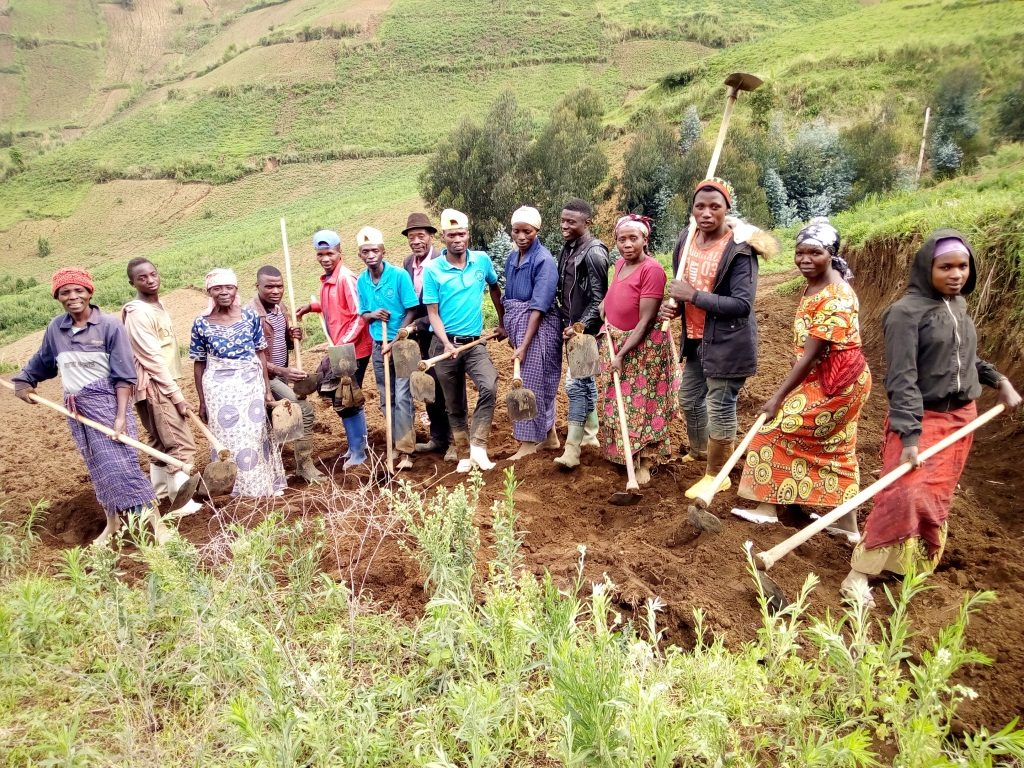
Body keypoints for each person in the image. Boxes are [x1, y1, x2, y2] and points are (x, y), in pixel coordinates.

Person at [841, 231, 1021, 604]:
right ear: (927, 268)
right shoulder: (904, 313)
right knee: (902, 493)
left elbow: (966, 360)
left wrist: (999, 380)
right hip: (923, 417)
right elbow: (902, 378)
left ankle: (905, 566)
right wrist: (909, 438)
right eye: (946, 267)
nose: (956, 274)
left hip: (962, 417)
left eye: (962, 266)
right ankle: (859, 575)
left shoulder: (958, 307)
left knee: (934, 497)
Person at [732, 219, 870, 539]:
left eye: (815, 253)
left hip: (836, 384)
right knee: (836, 450)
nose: (805, 259)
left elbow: (809, 357)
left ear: (832, 254)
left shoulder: (837, 296)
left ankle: (766, 508)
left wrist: (777, 397)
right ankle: (846, 526)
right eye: (800, 252)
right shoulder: (817, 283)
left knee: (773, 426)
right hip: (832, 379)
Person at [12, 268, 170, 546]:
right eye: (65, 292)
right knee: (98, 468)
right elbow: (43, 362)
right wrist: (25, 381)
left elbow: (124, 377)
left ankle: (158, 527)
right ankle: (113, 523)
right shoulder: (56, 329)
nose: (73, 297)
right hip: (77, 411)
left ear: (89, 292)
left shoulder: (109, 326)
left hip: (107, 406)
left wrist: (120, 417)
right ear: (57, 297)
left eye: (78, 290)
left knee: (122, 466)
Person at [660, 178, 776, 500]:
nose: (707, 213)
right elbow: (682, 285)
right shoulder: (687, 238)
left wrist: (693, 296)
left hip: (729, 343)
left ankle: (717, 475)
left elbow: (742, 305)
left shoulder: (739, 249)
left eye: (715, 207)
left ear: (727, 209)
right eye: (700, 206)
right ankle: (699, 451)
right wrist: (678, 307)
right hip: (697, 340)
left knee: (720, 405)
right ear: (692, 209)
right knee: (689, 398)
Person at [189, 268, 286, 498]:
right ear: (209, 292)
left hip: (249, 384)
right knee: (227, 439)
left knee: (254, 435)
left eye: (228, 287)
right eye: (217, 288)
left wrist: (266, 390)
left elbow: (261, 353)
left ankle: (261, 486)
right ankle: (235, 490)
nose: (223, 292)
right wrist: (202, 401)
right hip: (218, 389)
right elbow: (199, 363)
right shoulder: (201, 323)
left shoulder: (249, 316)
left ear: (236, 289)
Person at [422, 208, 506, 473]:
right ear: (444, 237)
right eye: (451, 235)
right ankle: (463, 455)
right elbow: (432, 312)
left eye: (462, 233)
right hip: (445, 346)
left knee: (489, 385)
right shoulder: (433, 270)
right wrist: (446, 343)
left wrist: (502, 321)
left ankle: (478, 447)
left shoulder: (481, 261)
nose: (457, 239)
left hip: (474, 343)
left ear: (468, 234)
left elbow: (494, 287)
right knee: (454, 402)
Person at [599, 215, 677, 485]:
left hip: (643, 349)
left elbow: (645, 320)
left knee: (641, 405)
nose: (627, 244)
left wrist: (621, 354)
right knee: (618, 400)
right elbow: (618, 294)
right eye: (622, 239)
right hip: (618, 340)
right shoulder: (619, 264)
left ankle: (643, 462)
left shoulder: (652, 270)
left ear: (645, 240)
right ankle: (625, 456)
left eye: (634, 238)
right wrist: (605, 305)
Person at [122, 258, 203, 517]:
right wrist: (176, 396)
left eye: (153, 274)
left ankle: (161, 493)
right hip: (156, 385)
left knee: (159, 441)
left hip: (158, 385)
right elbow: (152, 360)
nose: (149, 279)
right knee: (180, 443)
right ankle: (182, 502)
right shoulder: (138, 313)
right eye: (142, 277)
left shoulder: (157, 306)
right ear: (132, 282)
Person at [296, 230, 373, 470]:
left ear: (340, 252)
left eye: (330, 253)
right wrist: (313, 307)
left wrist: (343, 345)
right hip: (340, 349)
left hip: (353, 350)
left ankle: (360, 452)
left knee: (347, 398)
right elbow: (336, 308)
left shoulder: (345, 278)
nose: (325, 258)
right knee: (337, 395)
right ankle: (355, 446)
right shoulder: (329, 280)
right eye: (321, 254)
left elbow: (360, 315)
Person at [248, 265, 326, 485]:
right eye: (269, 287)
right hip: (265, 377)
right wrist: (282, 371)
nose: (275, 291)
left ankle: (273, 467)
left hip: (280, 374)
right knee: (303, 409)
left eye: (279, 286)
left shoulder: (281, 307)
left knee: (272, 422)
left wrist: (293, 336)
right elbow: (255, 357)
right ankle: (304, 466)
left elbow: (285, 344)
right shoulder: (251, 315)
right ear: (257, 286)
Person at [355, 226, 419, 470]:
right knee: (386, 396)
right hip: (378, 346)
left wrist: (395, 341)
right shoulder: (362, 281)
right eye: (365, 251)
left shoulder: (399, 276)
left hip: (401, 346)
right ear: (360, 255)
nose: (370, 255)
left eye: (374, 250)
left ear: (383, 251)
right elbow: (363, 314)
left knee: (403, 396)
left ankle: (406, 451)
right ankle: (394, 441)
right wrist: (372, 314)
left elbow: (412, 309)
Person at [503, 206, 562, 460]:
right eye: (516, 231)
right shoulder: (511, 258)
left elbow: (538, 307)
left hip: (539, 330)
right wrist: (506, 326)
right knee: (536, 380)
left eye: (527, 231)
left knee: (533, 383)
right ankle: (549, 437)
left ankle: (528, 442)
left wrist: (524, 345)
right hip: (520, 325)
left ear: (537, 231)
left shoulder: (544, 261)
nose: (521, 236)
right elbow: (509, 297)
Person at [553, 198, 609, 470]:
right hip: (571, 328)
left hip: (586, 333)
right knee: (584, 383)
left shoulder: (595, 252)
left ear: (587, 223)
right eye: (562, 220)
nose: (564, 225)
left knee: (576, 386)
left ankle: (573, 448)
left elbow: (600, 298)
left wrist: (581, 326)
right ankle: (591, 436)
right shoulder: (569, 248)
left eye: (570, 222)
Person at [401, 212, 452, 460]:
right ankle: (438, 437)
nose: (416, 241)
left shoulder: (442, 262)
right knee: (427, 386)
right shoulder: (407, 263)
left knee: (446, 386)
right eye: (412, 237)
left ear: (432, 237)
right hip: (418, 338)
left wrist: (416, 325)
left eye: (421, 235)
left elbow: (440, 305)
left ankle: (454, 439)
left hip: (440, 332)